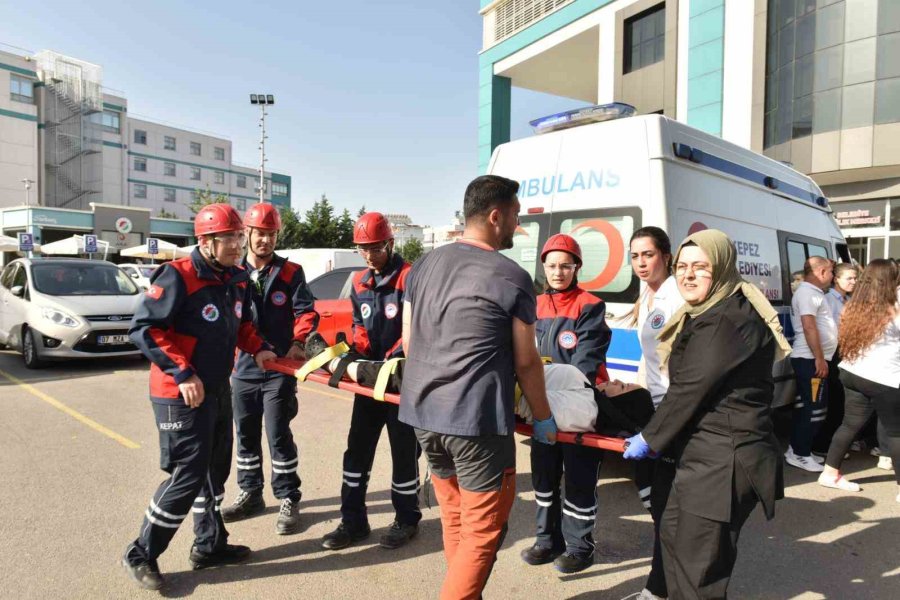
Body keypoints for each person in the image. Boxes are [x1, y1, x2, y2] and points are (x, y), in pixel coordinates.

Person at [399, 175, 557, 600]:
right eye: (515, 216)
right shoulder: (512, 276)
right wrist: (543, 417)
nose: (517, 225)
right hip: (476, 423)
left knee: (455, 518)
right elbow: (526, 360)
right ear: (494, 216)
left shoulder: (423, 266)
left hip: (422, 415)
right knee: (484, 531)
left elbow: (410, 343)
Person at [623, 228, 790, 600]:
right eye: (682, 266)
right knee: (672, 540)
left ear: (723, 266)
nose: (688, 274)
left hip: (724, 460)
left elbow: (690, 387)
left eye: (701, 266)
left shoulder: (728, 319)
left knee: (699, 574)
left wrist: (649, 438)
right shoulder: (704, 310)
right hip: (696, 453)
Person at [121, 203, 277, 591]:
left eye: (239, 238)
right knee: (188, 474)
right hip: (180, 392)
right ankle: (141, 553)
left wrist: (258, 347)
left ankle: (209, 545)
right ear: (205, 241)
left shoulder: (236, 278)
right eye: (229, 239)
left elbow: (241, 325)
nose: (238, 246)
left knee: (214, 471)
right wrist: (183, 371)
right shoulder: (177, 276)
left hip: (216, 386)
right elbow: (145, 328)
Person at [321, 212, 422, 551]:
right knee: (356, 453)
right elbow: (359, 328)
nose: (368, 254)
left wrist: (387, 363)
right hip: (368, 386)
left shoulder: (409, 278)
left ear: (390, 243)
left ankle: (407, 520)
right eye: (362, 248)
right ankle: (353, 521)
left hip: (399, 384)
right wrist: (354, 354)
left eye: (374, 248)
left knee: (404, 455)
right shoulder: (362, 281)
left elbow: (413, 332)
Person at [221, 203, 318, 534]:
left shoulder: (291, 273)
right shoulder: (232, 273)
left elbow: (306, 312)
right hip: (243, 369)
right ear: (247, 234)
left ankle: (288, 496)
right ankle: (251, 492)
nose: (265, 240)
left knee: (278, 433)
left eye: (271, 234)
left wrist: (299, 342)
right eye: (259, 234)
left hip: (278, 368)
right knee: (245, 434)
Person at [521, 234, 611, 574]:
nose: (558, 272)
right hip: (542, 406)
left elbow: (586, 360)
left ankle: (579, 547)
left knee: (578, 481)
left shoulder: (590, 305)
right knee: (543, 478)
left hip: (576, 406)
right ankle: (547, 540)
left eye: (565, 266)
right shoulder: (532, 304)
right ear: (543, 267)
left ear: (576, 268)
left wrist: (551, 388)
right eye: (552, 266)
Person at [628, 226, 682, 600]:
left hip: (676, 410)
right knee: (655, 494)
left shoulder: (678, 293)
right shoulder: (647, 294)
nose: (641, 263)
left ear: (665, 254)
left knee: (666, 504)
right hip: (656, 405)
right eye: (634, 256)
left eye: (647, 254)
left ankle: (660, 588)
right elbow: (649, 357)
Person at [818, 259, 900, 500]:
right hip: (884, 377)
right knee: (896, 433)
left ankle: (830, 473)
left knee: (849, 424)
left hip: (853, 373)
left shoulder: (853, 304)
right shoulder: (894, 306)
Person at [786, 256, 836, 472]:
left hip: (811, 359)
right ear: (822, 271)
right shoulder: (807, 293)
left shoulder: (813, 293)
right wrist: (819, 357)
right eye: (832, 272)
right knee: (813, 408)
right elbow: (809, 327)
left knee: (808, 406)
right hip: (810, 360)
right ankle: (800, 454)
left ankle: (798, 448)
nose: (833, 277)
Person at [812, 262, 858, 458]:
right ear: (836, 279)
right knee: (832, 402)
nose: (853, 282)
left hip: (847, 353)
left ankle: (838, 442)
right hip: (832, 355)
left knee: (843, 401)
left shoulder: (849, 300)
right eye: (849, 278)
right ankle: (823, 445)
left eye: (855, 278)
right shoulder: (828, 300)